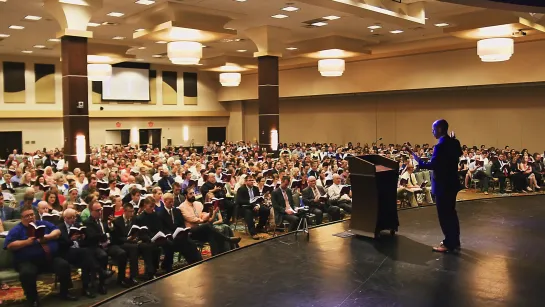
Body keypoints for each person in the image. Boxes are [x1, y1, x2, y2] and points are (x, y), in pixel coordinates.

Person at [4, 206, 77, 306]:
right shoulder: (17, 230)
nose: (30, 217)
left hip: (48, 258)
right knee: (27, 273)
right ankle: (33, 299)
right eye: (27, 216)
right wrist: (26, 242)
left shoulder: (42, 224)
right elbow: (9, 245)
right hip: (27, 261)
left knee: (63, 265)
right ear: (21, 218)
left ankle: (64, 293)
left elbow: (57, 231)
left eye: (32, 215)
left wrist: (48, 237)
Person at [408, 119, 462, 253]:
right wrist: (453, 139)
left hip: (443, 185)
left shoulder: (440, 146)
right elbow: (457, 153)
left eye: (433, 129)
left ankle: (448, 243)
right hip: (453, 184)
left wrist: (418, 161)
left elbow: (433, 165)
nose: (432, 132)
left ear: (439, 129)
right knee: (452, 213)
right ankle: (455, 241)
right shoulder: (454, 142)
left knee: (444, 216)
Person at [235, 175, 271, 239]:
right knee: (248, 213)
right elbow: (239, 201)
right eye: (250, 180)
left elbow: (258, 199)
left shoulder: (255, 188)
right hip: (243, 208)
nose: (252, 182)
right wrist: (251, 203)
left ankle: (259, 227)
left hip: (254, 206)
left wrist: (257, 205)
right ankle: (253, 233)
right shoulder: (241, 189)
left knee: (266, 210)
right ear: (245, 182)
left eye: (252, 180)